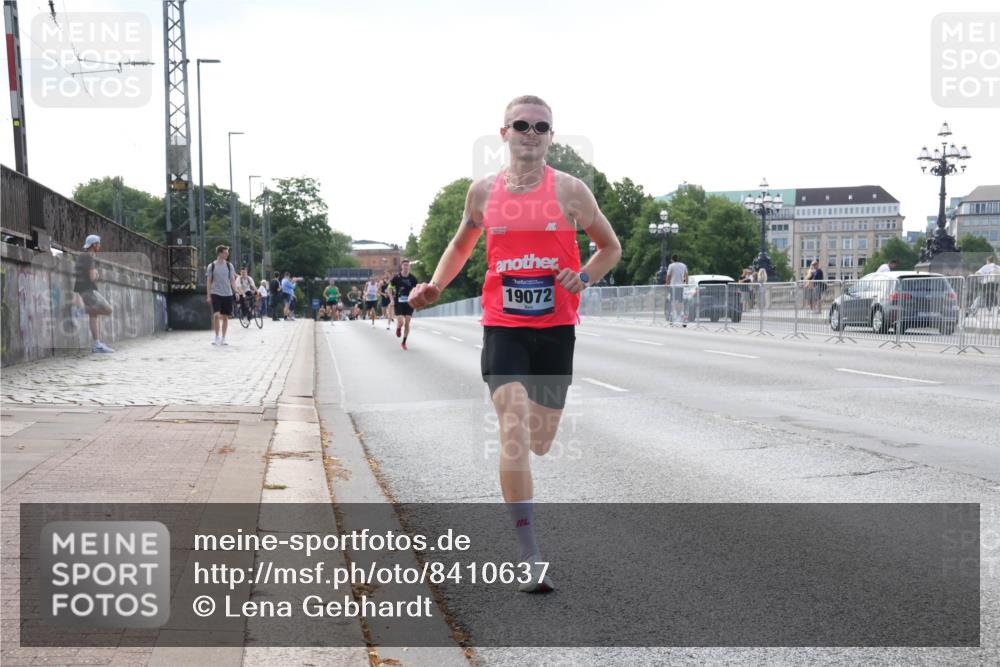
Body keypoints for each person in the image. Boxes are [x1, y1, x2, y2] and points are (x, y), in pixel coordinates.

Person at [408, 95, 621, 592]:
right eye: (520, 124)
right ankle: (529, 556)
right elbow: (461, 244)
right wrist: (437, 284)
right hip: (502, 323)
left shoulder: (571, 191)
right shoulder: (481, 193)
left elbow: (610, 247)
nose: (531, 132)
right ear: (503, 132)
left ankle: (529, 531)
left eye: (540, 126)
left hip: (555, 328)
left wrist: (583, 277)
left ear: (551, 136)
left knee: (541, 440)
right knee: (513, 426)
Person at [74, 234, 115, 353]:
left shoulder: (81, 257)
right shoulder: (89, 257)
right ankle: (81, 310)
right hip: (89, 290)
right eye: (98, 243)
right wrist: (96, 274)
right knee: (108, 309)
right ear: (94, 245)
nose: (100, 246)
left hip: (82, 290)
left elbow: (78, 276)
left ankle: (97, 344)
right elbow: (92, 277)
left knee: (94, 316)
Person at [206, 245, 239, 345]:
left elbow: (232, 280)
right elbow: (209, 281)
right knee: (216, 315)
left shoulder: (229, 266)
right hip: (215, 293)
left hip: (227, 294)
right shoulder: (212, 266)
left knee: (225, 317)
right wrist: (208, 295)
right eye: (226, 252)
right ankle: (216, 337)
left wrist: (236, 291)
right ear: (220, 253)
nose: (227, 254)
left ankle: (223, 338)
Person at [390, 260, 418, 349]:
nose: (406, 267)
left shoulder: (413, 279)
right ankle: (398, 328)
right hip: (399, 302)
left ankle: (404, 342)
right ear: (401, 266)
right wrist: (391, 299)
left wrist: (416, 302)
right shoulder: (396, 277)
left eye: (407, 265)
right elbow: (389, 289)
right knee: (401, 322)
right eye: (404, 265)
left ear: (409, 267)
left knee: (407, 322)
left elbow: (416, 291)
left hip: (409, 303)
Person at [665, 254, 688, 326]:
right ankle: (682, 315)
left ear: (672, 259)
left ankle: (673, 316)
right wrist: (687, 283)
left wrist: (666, 283)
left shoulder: (671, 265)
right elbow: (686, 275)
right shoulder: (683, 265)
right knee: (680, 301)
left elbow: (668, 275)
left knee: (673, 301)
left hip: (673, 286)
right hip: (681, 286)